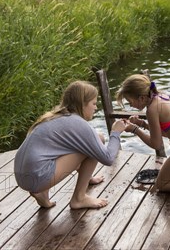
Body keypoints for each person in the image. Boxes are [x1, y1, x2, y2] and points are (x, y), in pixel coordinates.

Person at [14, 81, 128, 209]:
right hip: (38, 176)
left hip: (21, 176)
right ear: (82, 104)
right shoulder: (78, 123)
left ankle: (43, 192)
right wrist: (116, 132)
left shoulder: (54, 116)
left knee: (91, 141)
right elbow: (108, 158)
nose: (96, 108)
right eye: (94, 103)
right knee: (98, 140)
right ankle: (79, 198)